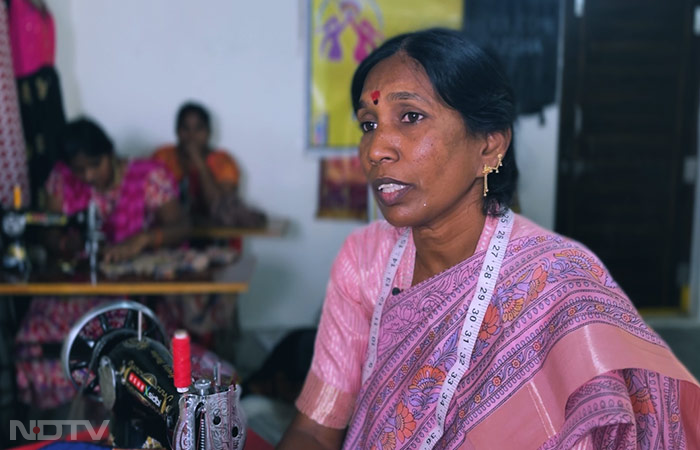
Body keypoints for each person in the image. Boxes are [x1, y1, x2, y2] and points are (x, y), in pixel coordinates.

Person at [278, 29, 700, 449]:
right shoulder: (365, 259)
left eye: (410, 117)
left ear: (489, 146)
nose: (375, 150)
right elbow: (315, 429)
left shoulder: (559, 283)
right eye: (368, 124)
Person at [14, 117, 191, 409]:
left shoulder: (149, 177)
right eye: (79, 169)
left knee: (123, 334)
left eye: (95, 165)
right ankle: (62, 408)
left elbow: (182, 226)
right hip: (80, 285)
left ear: (109, 152)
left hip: (131, 289)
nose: (88, 176)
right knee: (37, 334)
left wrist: (142, 241)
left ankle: (114, 401)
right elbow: (48, 232)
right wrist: (61, 243)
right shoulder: (62, 178)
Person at [152, 101, 265, 228]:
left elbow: (219, 207)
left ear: (209, 132)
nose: (191, 136)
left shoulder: (223, 161)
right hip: (172, 233)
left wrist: (199, 163)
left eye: (198, 128)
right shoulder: (163, 157)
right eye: (185, 128)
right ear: (177, 131)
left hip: (217, 236)